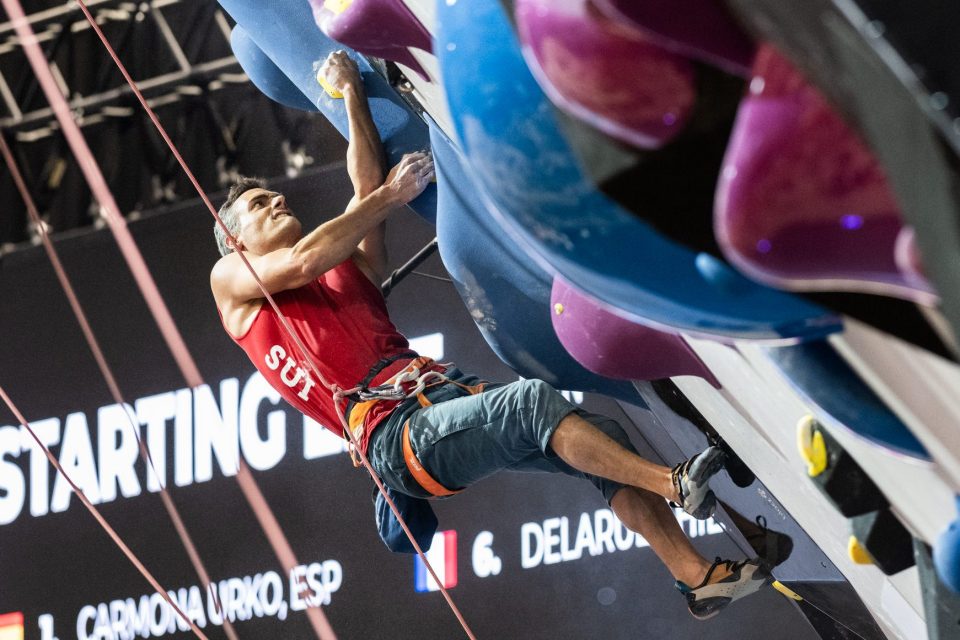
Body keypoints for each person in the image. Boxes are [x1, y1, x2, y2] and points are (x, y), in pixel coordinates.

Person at [210, 51, 772, 620]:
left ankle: (696, 578)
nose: (278, 200)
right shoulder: (232, 283)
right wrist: (390, 196)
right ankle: (677, 485)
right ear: (236, 242)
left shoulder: (344, 270)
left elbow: (363, 190)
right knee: (530, 403)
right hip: (395, 436)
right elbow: (309, 255)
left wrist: (351, 92)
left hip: (436, 396)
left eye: (273, 195)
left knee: (598, 436)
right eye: (260, 205)